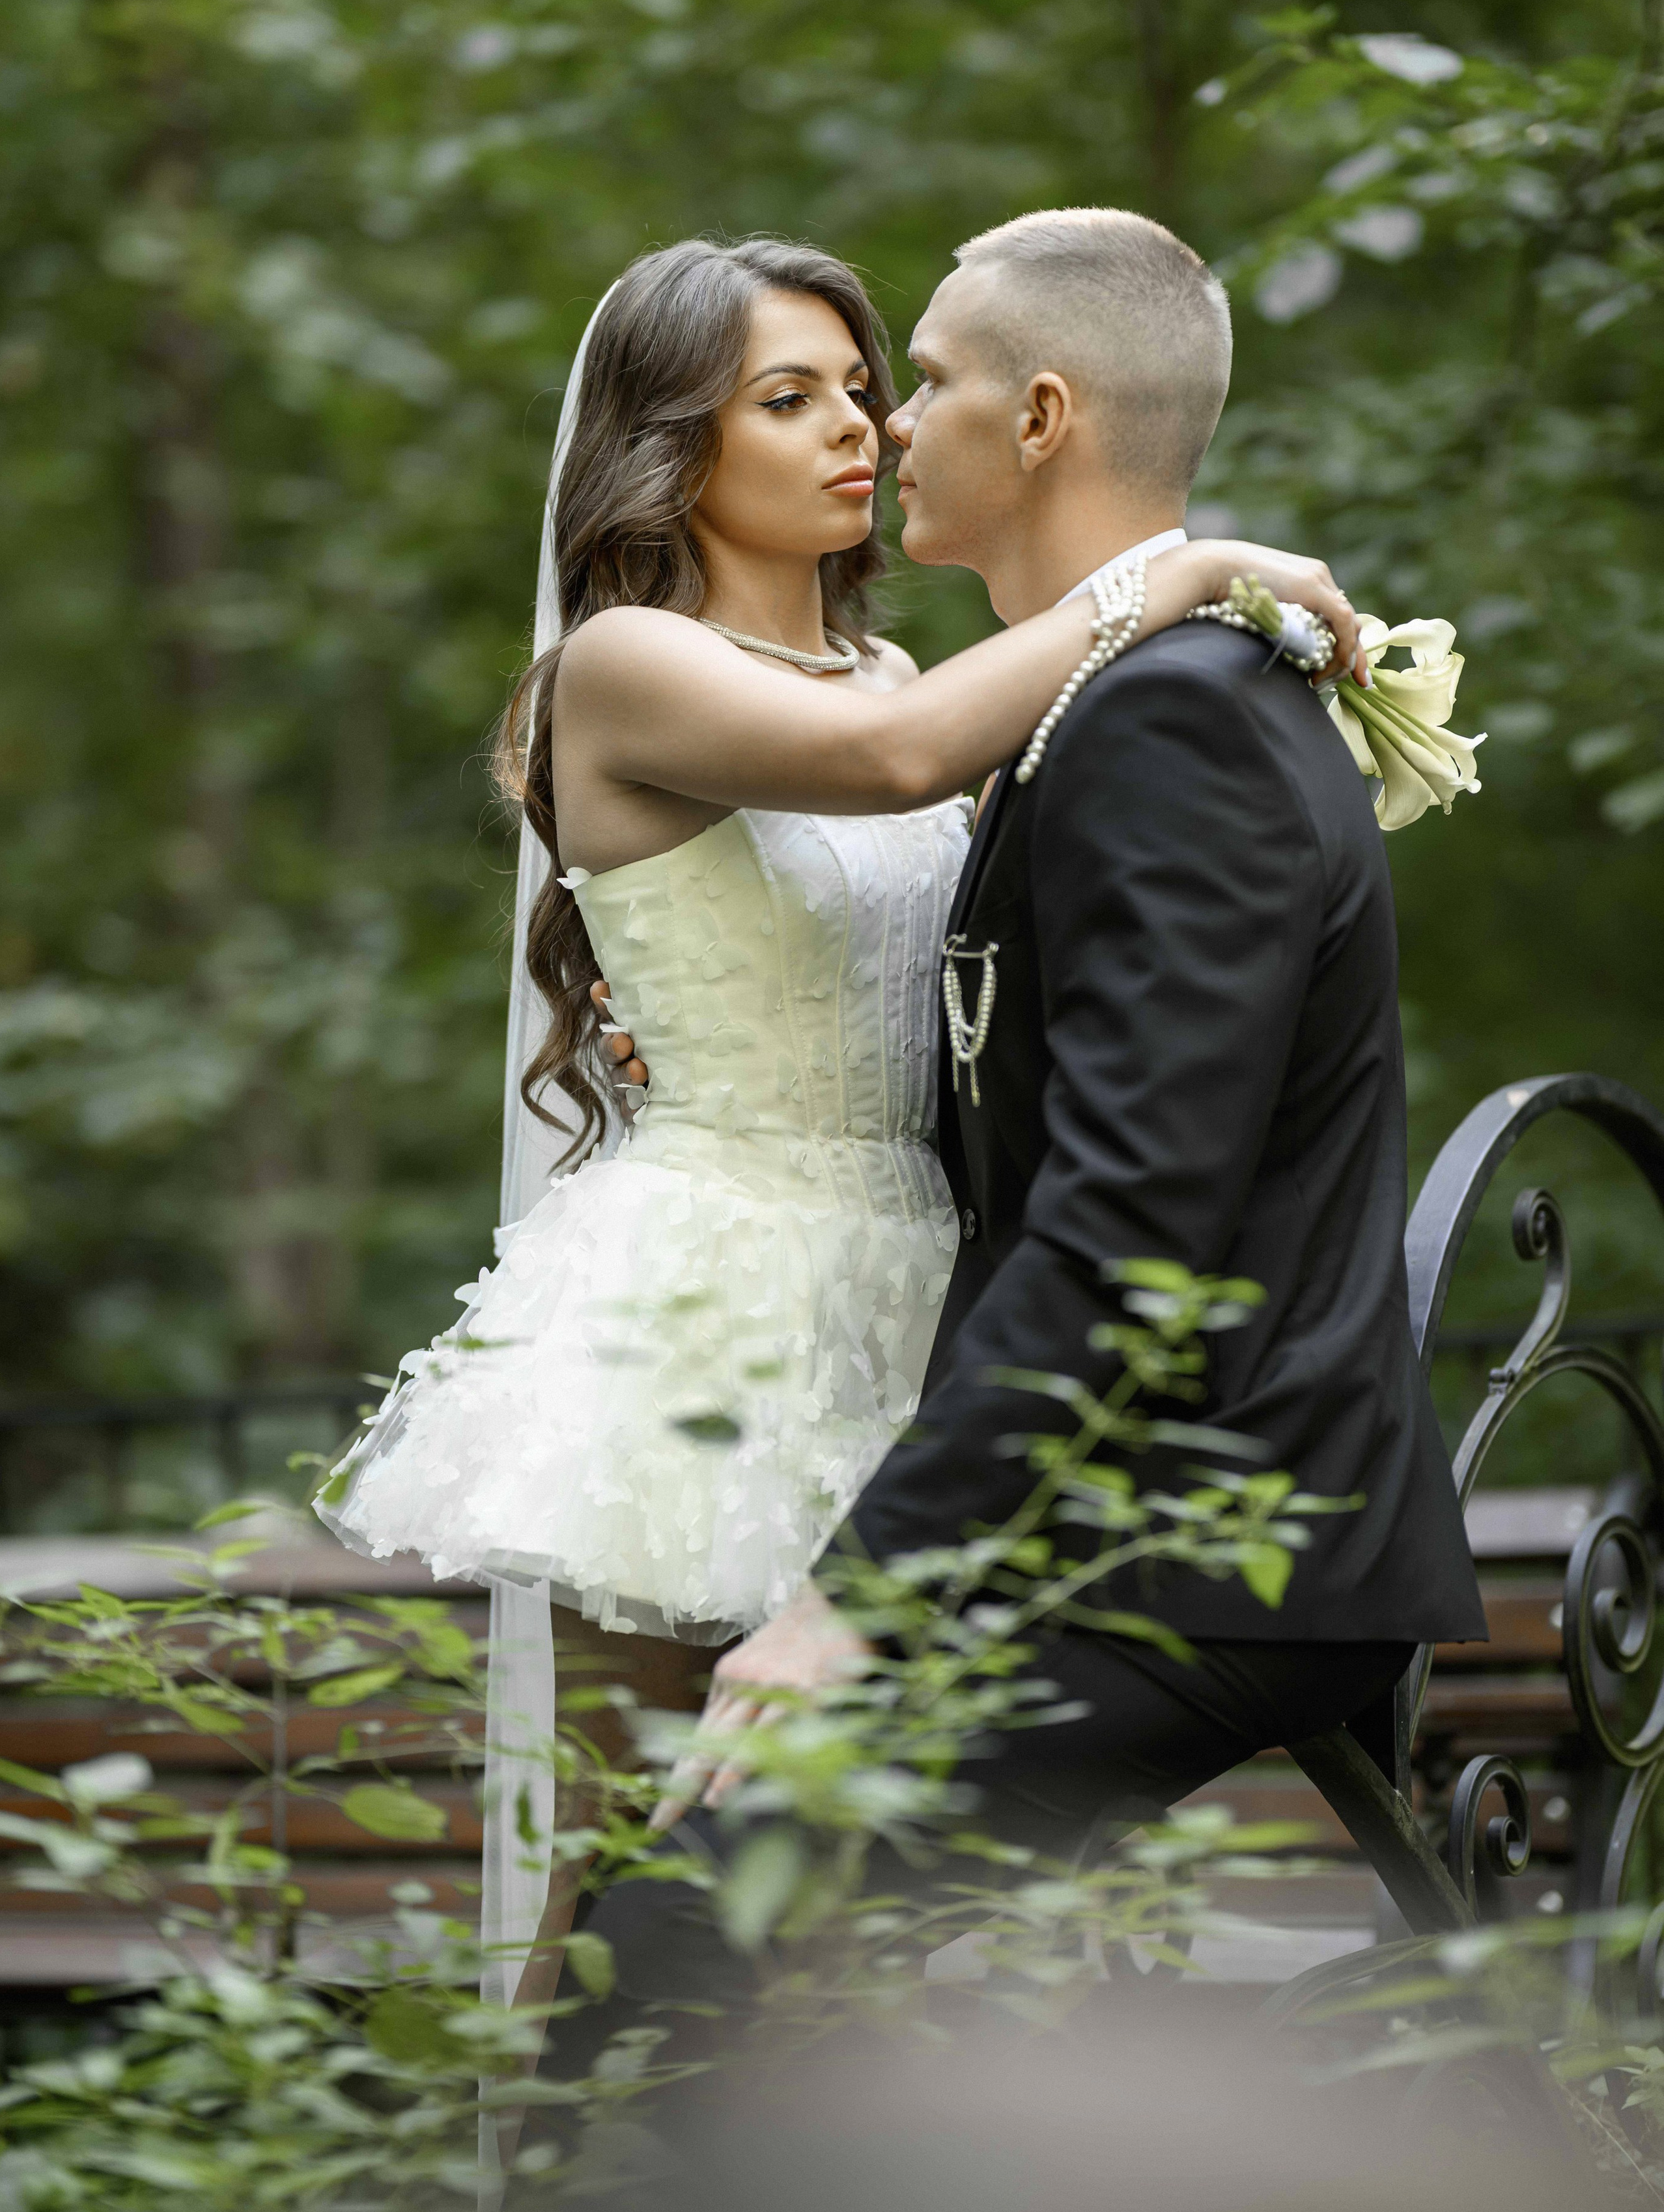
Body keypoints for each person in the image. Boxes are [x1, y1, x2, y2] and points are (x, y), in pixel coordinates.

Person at [314, 227, 1359, 2022]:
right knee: (661, 1854)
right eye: (784, 400)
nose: (857, 428)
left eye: (866, 389)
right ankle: (577, 2189)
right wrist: (1186, 576)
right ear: (673, 448)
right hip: (716, 1293)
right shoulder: (628, 668)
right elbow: (902, 775)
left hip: (922, 1280)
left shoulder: (898, 673)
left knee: (865, 1894)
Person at [590, 212, 1486, 2047]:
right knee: (722, 1943)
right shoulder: (1107, 708)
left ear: (1047, 415)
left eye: (914, 379)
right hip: (1122, 1510)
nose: (891, 424)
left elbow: (1126, 1227)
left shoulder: (1169, 723)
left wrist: (861, 1603)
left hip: (1216, 1539)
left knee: (688, 1945)